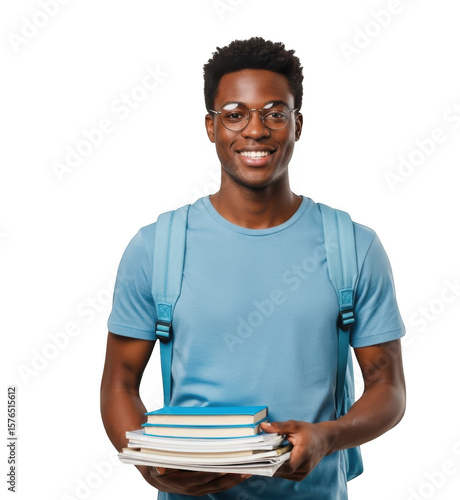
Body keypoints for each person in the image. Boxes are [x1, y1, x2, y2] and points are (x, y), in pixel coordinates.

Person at [100, 37, 406, 500]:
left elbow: (388, 386)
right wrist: (153, 470)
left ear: (297, 124)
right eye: (235, 113)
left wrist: (328, 437)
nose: (256, 130)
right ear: (211, 126)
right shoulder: (156, 247)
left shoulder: (354, 247)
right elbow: (119, 383)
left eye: (275, 113)